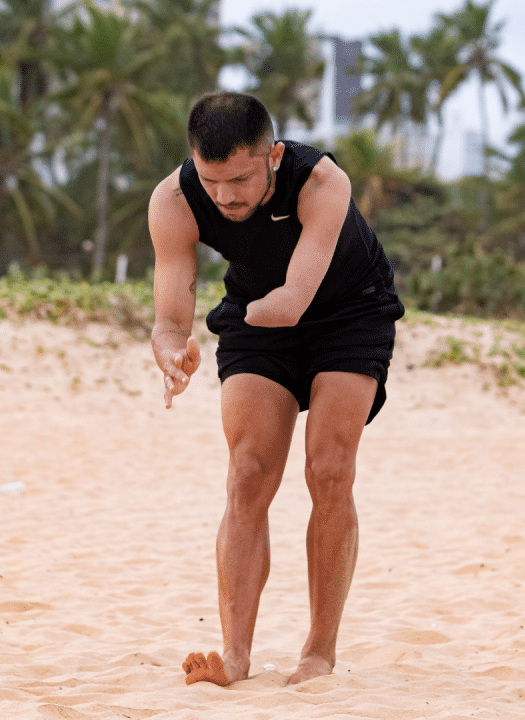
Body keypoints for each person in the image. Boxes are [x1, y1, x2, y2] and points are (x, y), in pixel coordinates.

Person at [148, 91, 404, 687]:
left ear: (274, 156)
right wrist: (172, 354)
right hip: (259, 312)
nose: (225, 196)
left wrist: (238, 325)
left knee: (330, 469)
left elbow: (292, 301)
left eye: (239, 178)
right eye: (211, 181)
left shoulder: (320, 183)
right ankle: (234, 656)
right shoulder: (173, 200)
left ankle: (318, 652)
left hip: (347, 314)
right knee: (247, 473)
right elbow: (168, 320)